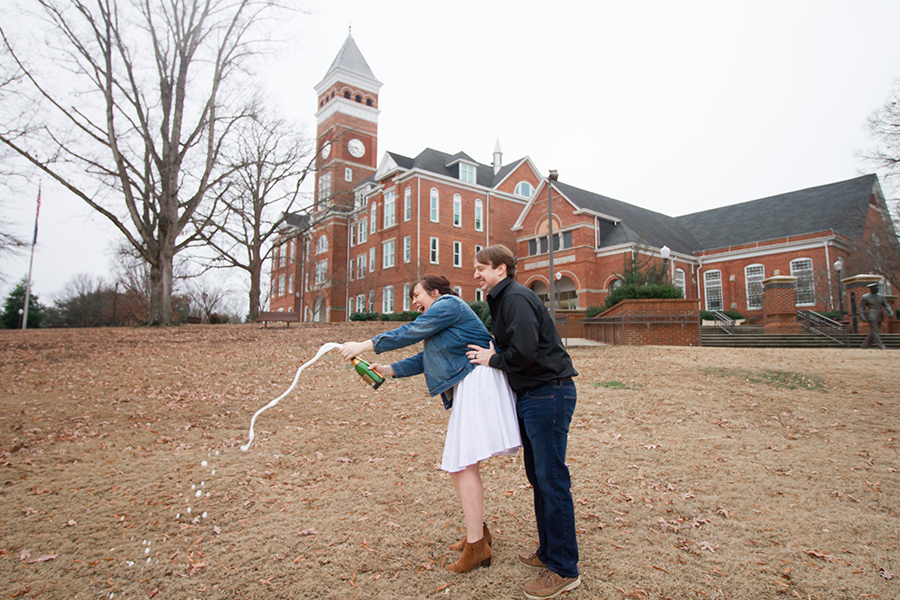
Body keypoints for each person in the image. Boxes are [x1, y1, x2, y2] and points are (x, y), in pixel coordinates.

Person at [340, 275, 521, 574]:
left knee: (462, 464)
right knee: (459, 465)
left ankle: (477, 546)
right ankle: (478, 534)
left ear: (436, 293)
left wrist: (363, 345)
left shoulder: (449, 304)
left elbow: (411, 331)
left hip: (478, 383)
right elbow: (428, 357)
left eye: (417, 295)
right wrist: (388, 370)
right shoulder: (441, 321)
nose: (413, 302)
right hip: (469, 386)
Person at [467, 245, 581, 600]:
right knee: (540, 479)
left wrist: (493, 358)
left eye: (481, 268)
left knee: (551, 480)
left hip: (548, 394)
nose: (476, 274)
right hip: (535, 396)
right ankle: (549, 552)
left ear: (501, 269)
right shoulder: (504, 299)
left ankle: (564, 569)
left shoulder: (515, 298)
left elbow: (525, 352)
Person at [859, 281, 894, 349]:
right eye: (875, 288)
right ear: (871, 289)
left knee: (874, 331)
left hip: (880, 315)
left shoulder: (881, 296)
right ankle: (880, 345)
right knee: (875, 331)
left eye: (877, 288)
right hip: (872, 315)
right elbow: (861, 308)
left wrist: (890, 311)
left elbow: (886, 305)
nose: (877, 289)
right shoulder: (866, 297)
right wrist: (862, 316)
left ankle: (865, 345)